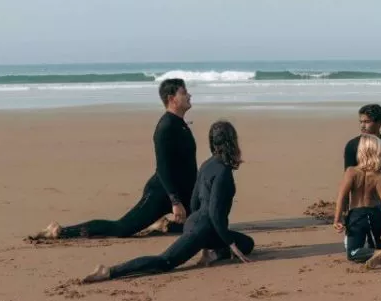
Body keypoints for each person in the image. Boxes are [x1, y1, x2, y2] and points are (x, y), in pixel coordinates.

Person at [82, 121, 253, 282]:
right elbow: (215, 215)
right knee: (165, 261)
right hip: (204, 229)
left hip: (196, 224)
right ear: (232, 142)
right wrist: (231, 244)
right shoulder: (223, 173)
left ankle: (213, 253)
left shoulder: (206, 164)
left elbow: (194, 202)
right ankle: (109, 271)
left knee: (247, 243)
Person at [35, 78, 197, 240]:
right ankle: (60, 231)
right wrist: (175, 201)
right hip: (162, 193)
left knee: (203, 224)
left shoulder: (180, 125)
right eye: (183, 93)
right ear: (171, 99)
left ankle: (163, 224)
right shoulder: (166, 127)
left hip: (183, 192)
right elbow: (163, 167)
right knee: (122, 228)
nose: (189, 95)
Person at [333, 135, 381, 269]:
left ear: (360, 152)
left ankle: (375, 252)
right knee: (379, 239)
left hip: (356, 216)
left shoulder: (351, 172)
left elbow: (342, 197)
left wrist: (337, 219)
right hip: (375, 215)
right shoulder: (379, 175)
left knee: (353, 252)